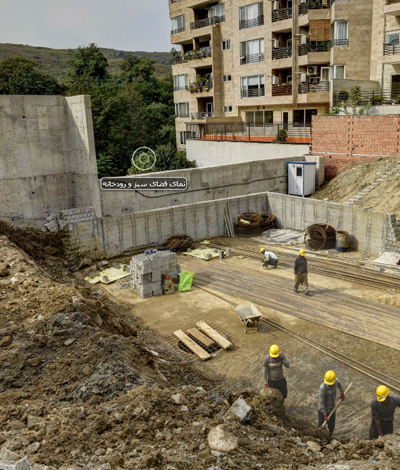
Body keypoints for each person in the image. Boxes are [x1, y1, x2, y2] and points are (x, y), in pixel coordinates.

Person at [318, 370, 345, 434]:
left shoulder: (336, 381)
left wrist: (342, 393)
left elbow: (340, 385)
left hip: (332, 408)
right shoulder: (322, 388)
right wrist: (325, 414)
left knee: (331, 426)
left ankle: (329, 437)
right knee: (321, 426)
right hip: (322, 410)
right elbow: (321, 403)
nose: (330, 385)